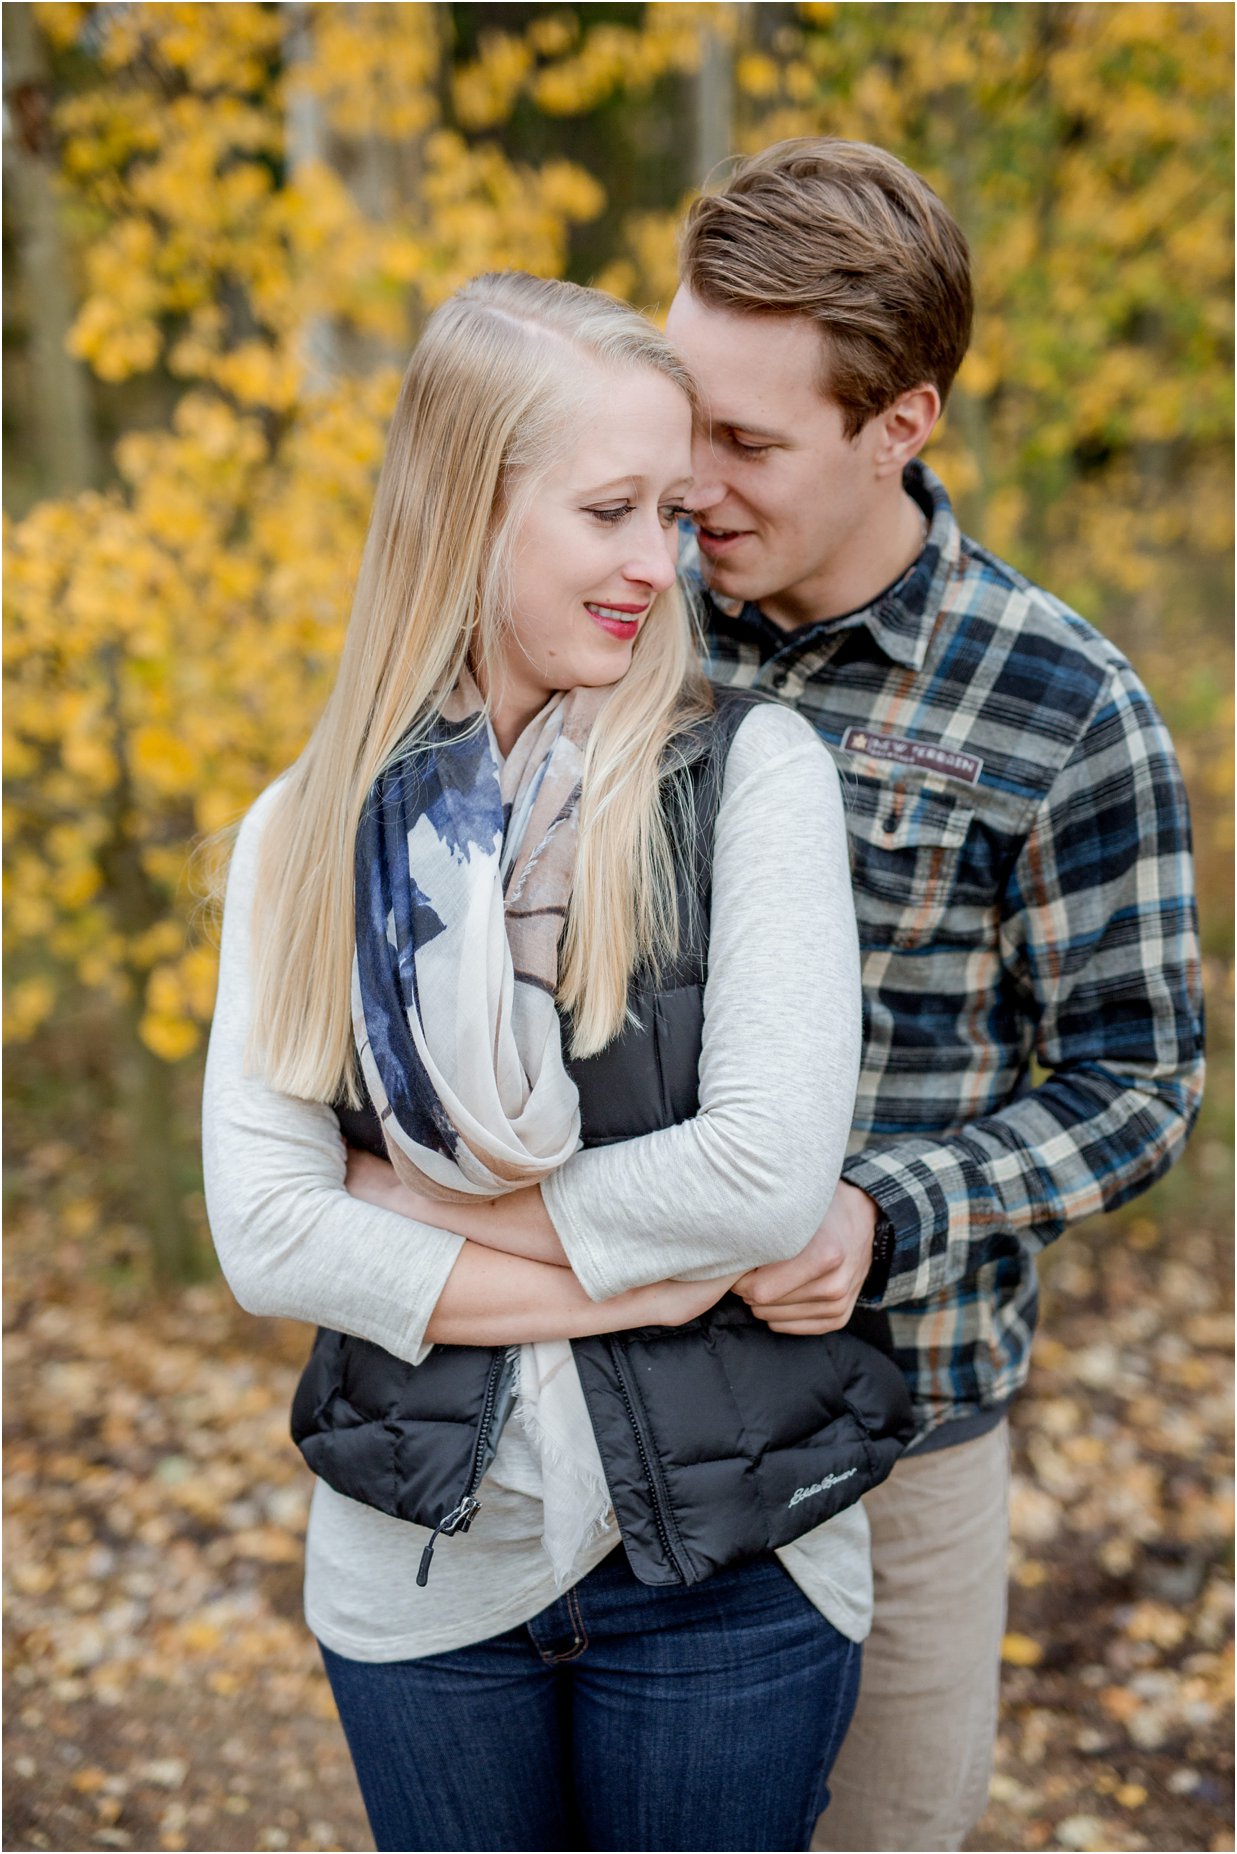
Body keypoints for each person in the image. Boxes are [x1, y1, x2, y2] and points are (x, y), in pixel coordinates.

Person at [202, 270, 913, 1854]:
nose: (656, 565)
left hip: (727, 1572)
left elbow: (764, 1171)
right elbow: (266, 1233)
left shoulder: (750, 774)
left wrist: (422, 1208)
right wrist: (651, 1276)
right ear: (467, 509)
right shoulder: (302, 832)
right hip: (421, 1577)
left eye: (669, 511)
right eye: (607, 512)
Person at [658, 138, 1206, 1853]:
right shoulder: (615, 621)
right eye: (681, 417)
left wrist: (885, 1214)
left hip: (899, 1430)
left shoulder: (1062, 703)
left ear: (902, 422)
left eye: (746, 443)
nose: (691, 482)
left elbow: (1135, 1079)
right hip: (596, 1401)